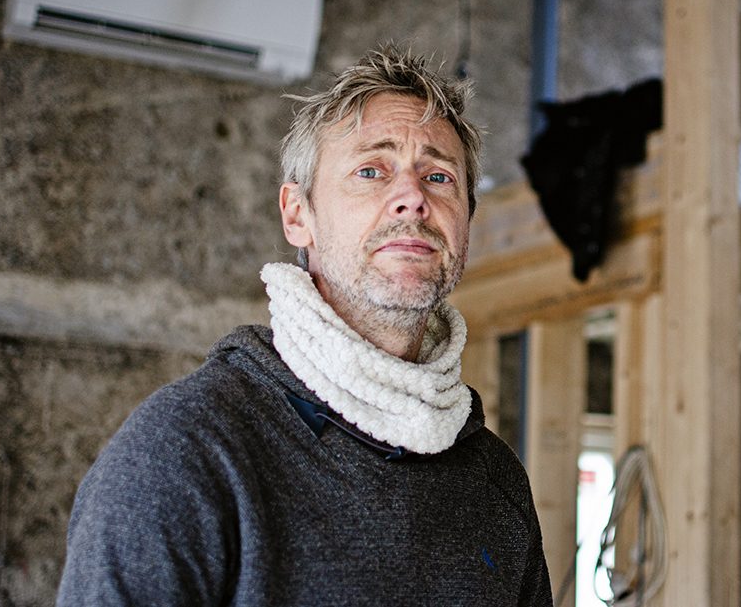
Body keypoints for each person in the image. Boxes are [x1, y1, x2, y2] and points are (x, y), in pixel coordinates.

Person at [56, 45, 553, 606]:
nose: (412, 198)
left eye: (439, 177)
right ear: (298, 215)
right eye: (371, 171)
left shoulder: (495, 484)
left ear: (465, 222)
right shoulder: (185, 450)